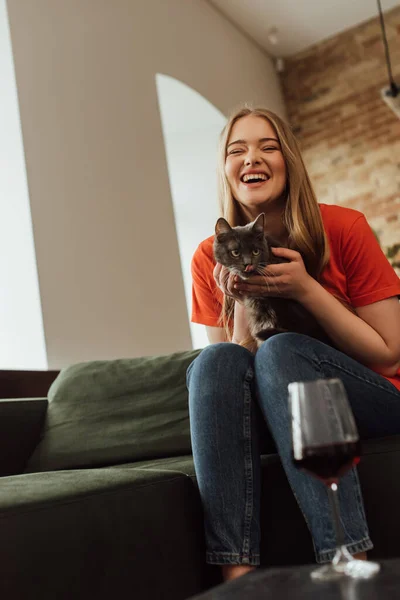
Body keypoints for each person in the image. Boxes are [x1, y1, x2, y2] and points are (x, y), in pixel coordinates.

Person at [186, 105, 400, 583]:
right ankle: (238, 578)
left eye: (267, 145)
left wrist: (305, 289)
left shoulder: (343, 227)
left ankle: (347, 559)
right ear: (225, 167)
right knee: (214, 360)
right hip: (275, 403)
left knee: (283, 349)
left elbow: (389, 354)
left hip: (373, 394)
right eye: (236, 149)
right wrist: (241, 292)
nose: (251, 158)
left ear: (289, 160)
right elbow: (234, 371)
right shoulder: (209, 256)